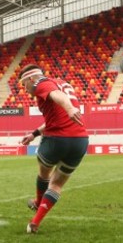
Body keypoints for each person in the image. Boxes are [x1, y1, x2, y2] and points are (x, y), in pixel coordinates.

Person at [18, 64, 88, 234]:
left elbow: (58, 96)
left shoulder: (41, 82)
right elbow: (57, 114)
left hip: (57, 139)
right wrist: (34, 134)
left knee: (44, 172)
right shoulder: (60, 82)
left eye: (23, 84)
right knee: (56, 184)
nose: (24, 89)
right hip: (80, 140)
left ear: (30, 79)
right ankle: (35, 222)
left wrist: (70, 108)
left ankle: (37, 202)